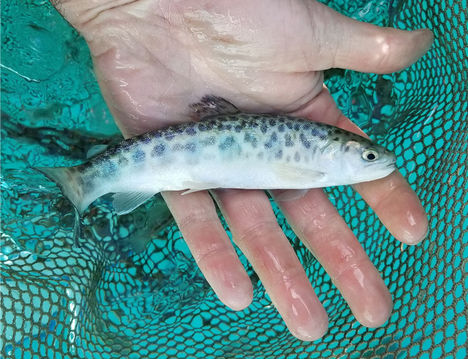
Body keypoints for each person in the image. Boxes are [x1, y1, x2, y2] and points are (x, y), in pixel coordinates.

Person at [50, 0, 433, 341]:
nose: (379, 163)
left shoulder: (317, 160)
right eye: (368, 157)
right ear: (335, 152)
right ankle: (80, 184)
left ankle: (81, 183)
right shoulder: (313, 164)